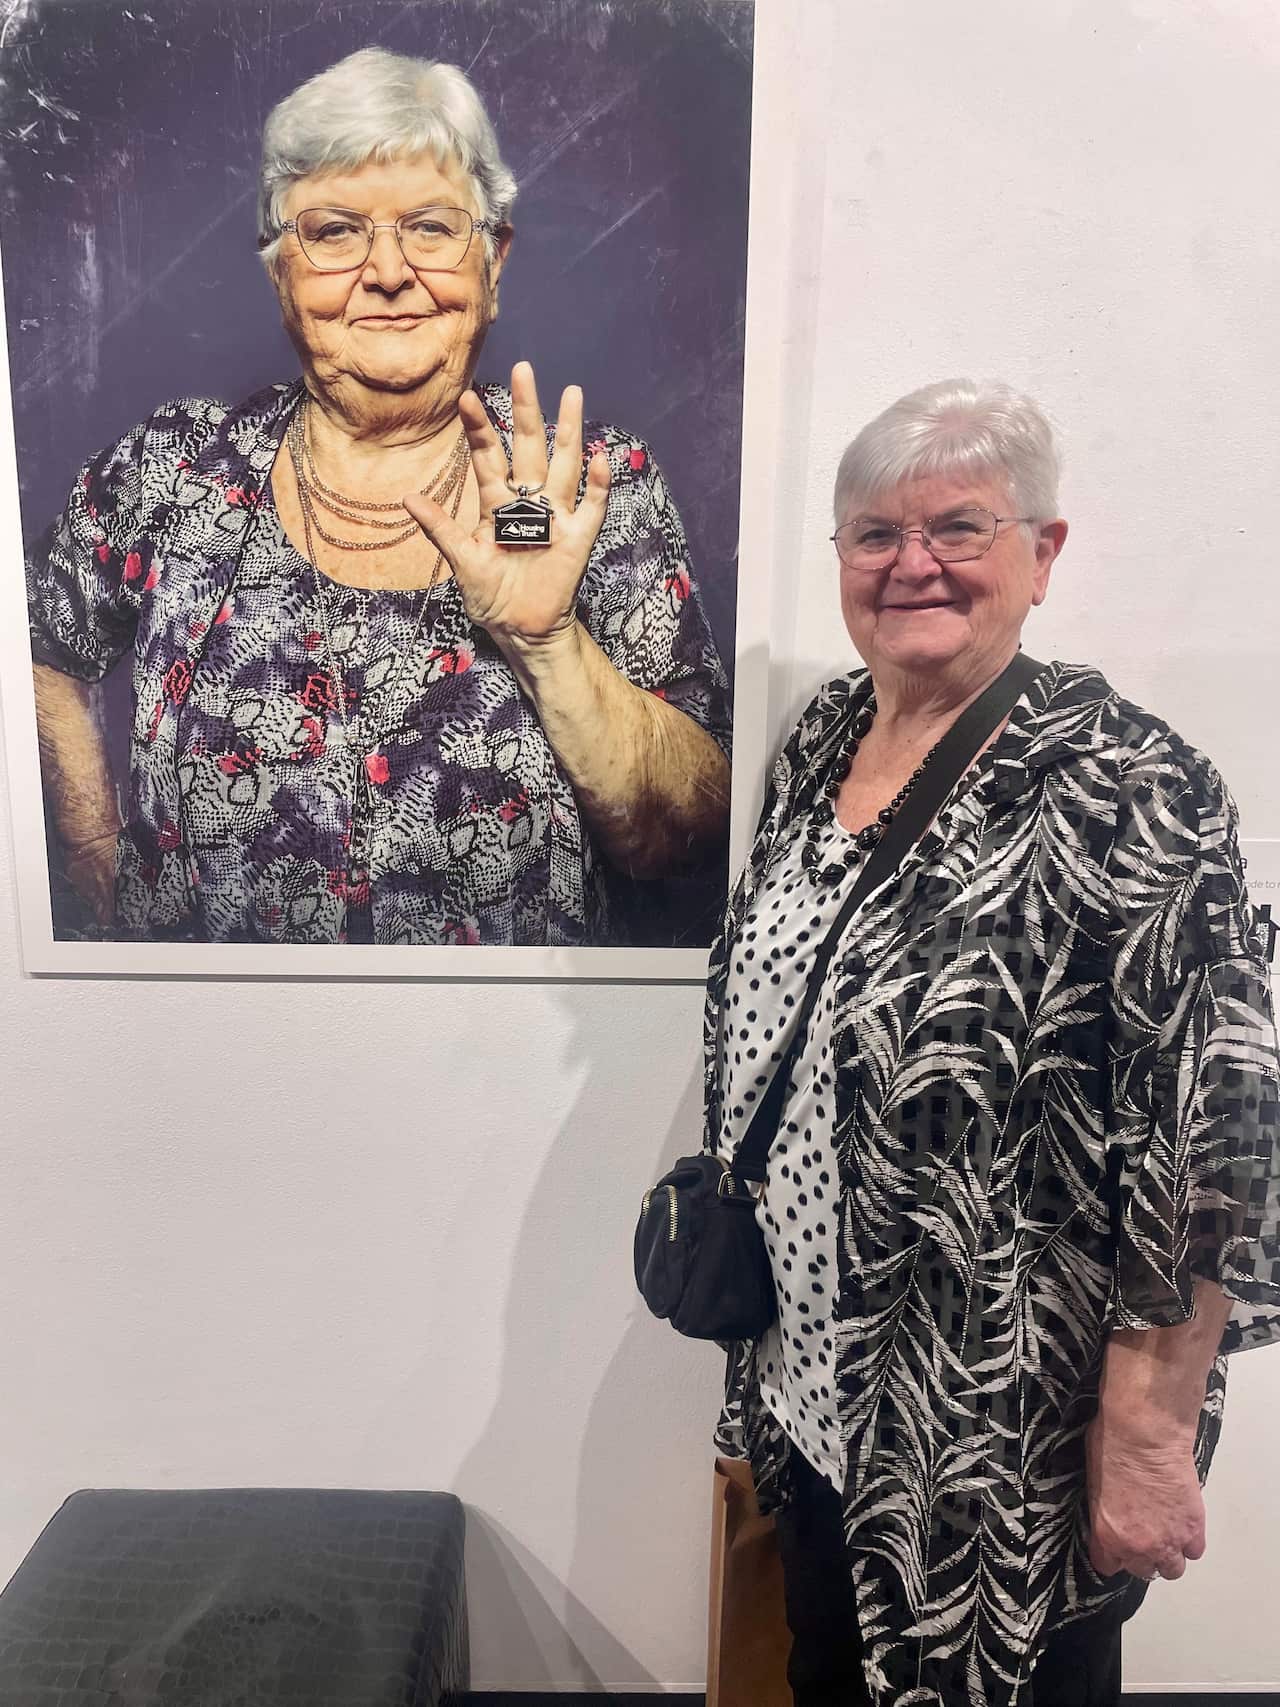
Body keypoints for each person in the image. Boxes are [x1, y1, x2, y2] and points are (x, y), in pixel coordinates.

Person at [704, 379, 1280, 1706]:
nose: (913, 564)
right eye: (875, 534)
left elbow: (1219, 1136)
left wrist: (1148, 1431)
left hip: (1001, 1430)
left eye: (958, 527)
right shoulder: (822, 741)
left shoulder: (1129, 783)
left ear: (1042, 551)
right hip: (814, 1394)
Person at [26, 47, 731, 946]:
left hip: (502, 1039)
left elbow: (690, 840)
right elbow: (35, 639)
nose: (389, 270)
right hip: (207, 1030)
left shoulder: (594, 487)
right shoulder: (176, 467)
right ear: (279, 268)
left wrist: (550, 645)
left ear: (494, 261)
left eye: (431, 227)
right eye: (335, 232)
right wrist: (92, 848)